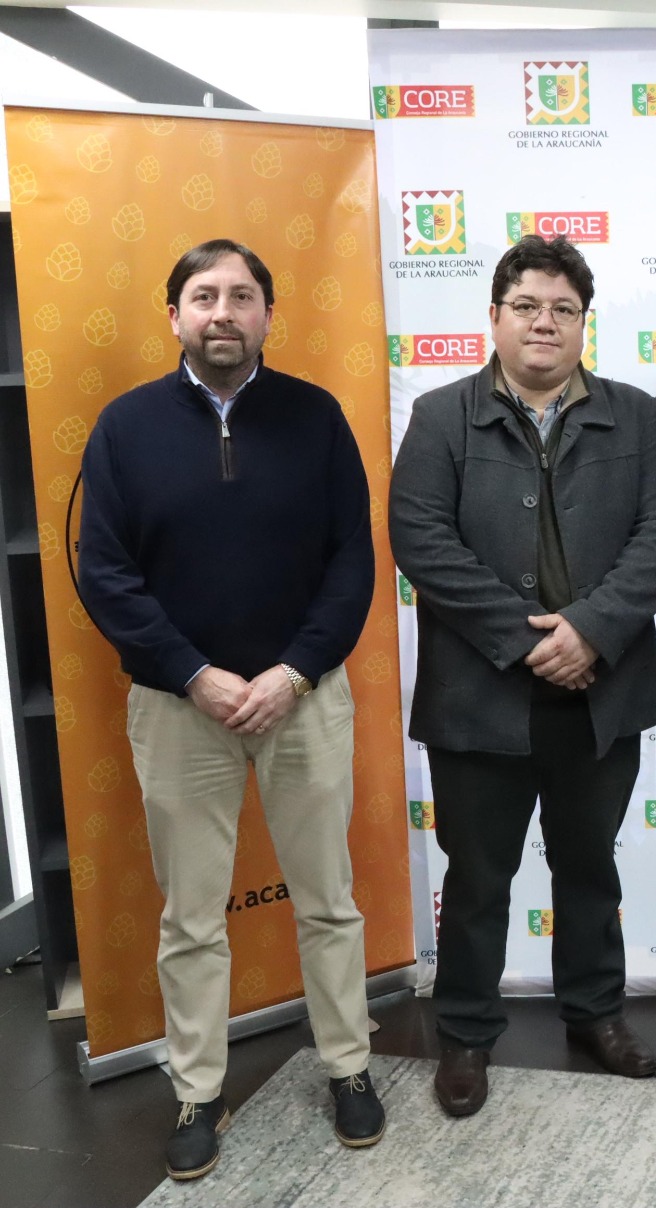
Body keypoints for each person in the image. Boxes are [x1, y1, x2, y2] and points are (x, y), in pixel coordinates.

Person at [76, 239, 383, 1180]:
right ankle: (197, 1090)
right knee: (191, 918)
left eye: (242, 296)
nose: (223, 312)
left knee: (328, 903)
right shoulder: (125, 427)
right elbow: (106, 573)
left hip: (303, 700)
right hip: (181, 709)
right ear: (174, 315)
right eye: (203, 296)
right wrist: (194, 674)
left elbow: (352, 561)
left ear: (267, 315)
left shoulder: (316, 417)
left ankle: (349, 1067)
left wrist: (292, 672)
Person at [389, 236, 656, 1117]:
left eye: (563, 309)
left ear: (584, 323)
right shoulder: (442, 416)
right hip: (479, 696)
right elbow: (421, 539)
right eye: (526, 306)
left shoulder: (635, 415)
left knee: (590, 867)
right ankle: (466, 1033)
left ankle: (595, 1014)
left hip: (600, 690)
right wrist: (525, 642)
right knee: (477, 879)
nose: (544, 323)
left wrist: (591, 629)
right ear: (494, 317)